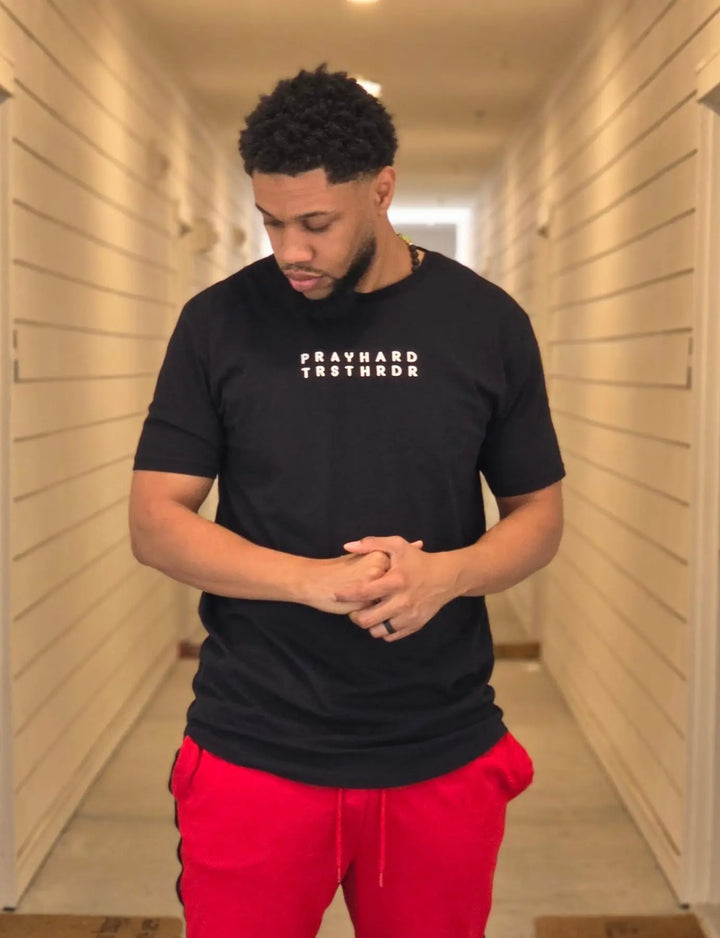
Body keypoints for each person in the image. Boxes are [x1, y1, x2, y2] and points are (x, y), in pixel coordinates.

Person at [129, 64, 565, 938]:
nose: (290, 249)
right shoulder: (217, 324)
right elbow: (156, 522)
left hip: (437, 745)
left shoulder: (486, 323)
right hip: (256, 743)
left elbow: (539, 517)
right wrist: (311, 581)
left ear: (382, 190)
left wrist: (446, 576)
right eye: (271, 221)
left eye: (316, 224)